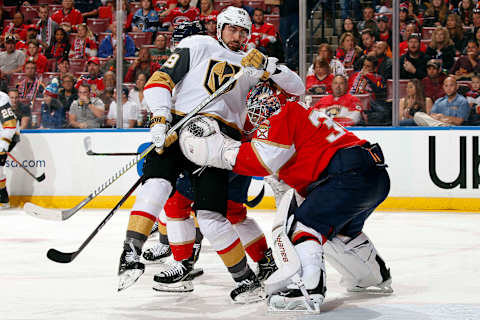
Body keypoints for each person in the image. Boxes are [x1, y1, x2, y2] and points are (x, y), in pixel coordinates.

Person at [117, 6, 304, 303]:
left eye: (244, 31)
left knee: (213, 215)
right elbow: (159, 81)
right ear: (219, 29)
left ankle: (245, 279)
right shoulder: (197, 44)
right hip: (180, 126)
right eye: (232, 29)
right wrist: (160, 118)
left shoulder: (252, 61)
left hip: (219, 142)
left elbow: (298, 87)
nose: (238, 36)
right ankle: (131, 251)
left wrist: (270, 66)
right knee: (159, 186)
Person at [179, 80, 392, 312]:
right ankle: (372, 278)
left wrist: (220, 152)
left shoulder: (282, 113)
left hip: (345, 176)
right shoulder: (296, 110)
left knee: (303, 227)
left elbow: (263, 160)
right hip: (372, 174)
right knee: (341, 233)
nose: (259, 111)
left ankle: (307, 290)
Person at [0, 91, 18, 209]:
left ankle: (2, 198)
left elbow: (10, 124)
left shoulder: (2, 98)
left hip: (8, 135)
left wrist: (3, 143)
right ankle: (3, 196)